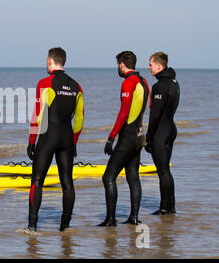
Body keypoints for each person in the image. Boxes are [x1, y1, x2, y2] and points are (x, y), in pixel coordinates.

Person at [26, 47, 84, 232]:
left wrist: (31, 141)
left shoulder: (45, 82)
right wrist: (74, 141)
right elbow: (80, 118)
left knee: (37, 181)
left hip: (47, 138)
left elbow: (37, 113)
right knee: (67, 183)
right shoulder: (76, 86)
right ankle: (65, 226)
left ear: (50, 61)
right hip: (66, 139)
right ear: (63, 62)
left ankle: (32, 227)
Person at [98, 51, 150, 226]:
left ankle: (111, 220)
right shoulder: (144, 82)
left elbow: (124, 113)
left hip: (127, 137)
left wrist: (111, 138)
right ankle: (134, 217)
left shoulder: (129, 82)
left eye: (117, 65)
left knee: (108, 177)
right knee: (133, 177)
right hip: (139, 136)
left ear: (121, 64)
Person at [145, 52, 180, 215]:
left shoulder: (159, 86)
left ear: (159, 66)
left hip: (161, 132)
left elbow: (155, 115)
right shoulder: (174, 82)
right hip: (171, 128)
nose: (149, 67)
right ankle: (170, 206)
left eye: (151, 64)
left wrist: (148, 137)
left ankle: (164, 208)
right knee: (166, 170)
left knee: (163, 171)